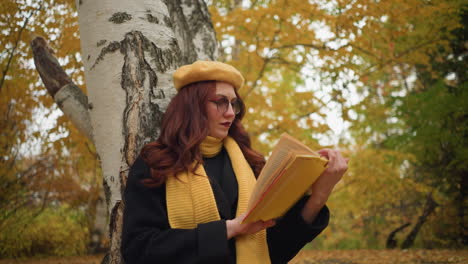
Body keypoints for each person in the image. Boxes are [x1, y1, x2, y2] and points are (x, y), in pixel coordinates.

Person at [121, 61, 348, 264]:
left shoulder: (251, 165)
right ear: (193, 106)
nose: (230, 113)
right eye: (220, 102)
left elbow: (274, 252)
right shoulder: (156, 164)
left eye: (233, 104)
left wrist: (319, 195)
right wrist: (229, 229)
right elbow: (139, 250)